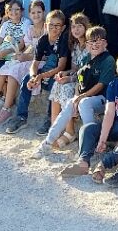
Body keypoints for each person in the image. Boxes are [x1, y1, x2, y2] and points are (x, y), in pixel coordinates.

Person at [62, 51, 118, 179]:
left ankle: (103, 165)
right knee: (87, 129)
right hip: (116, 125)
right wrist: (102, 139)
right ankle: (83, 163)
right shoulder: (113, 84)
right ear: (117, 70)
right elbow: (109, 113)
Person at [44, 26, 116, 157]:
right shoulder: (86, 59)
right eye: (91, 42)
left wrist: (82, 97)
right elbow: (79, 80)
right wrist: (77, 96)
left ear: (105, 43)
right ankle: (48, 141)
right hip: (86, 96)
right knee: (71, 103)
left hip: (104, 99)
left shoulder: (108, 60)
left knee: (84, 103)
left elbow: (100, 85)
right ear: (87, 45)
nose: (95, 45)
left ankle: (90, 142)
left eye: (98, 41)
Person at [0, 0, 45, 126]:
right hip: (28, 57)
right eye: (33, 12)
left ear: (44, 12)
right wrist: (22, 55)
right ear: (29, 14)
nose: (36, 15)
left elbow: (46, 54)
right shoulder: (30, 29)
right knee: (5, 68)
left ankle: (6, 109)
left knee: (13, 70)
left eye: (39, 12)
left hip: (38, 61)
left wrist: (26, 56)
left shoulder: (46, 29)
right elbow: (28, 47)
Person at [6, 8, 69, 135]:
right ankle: (21, 117)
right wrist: (34, 76)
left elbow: (61, 67)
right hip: (45, 71)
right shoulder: (43, 40)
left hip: (59, 73)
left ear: (63, 28)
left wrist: (41, 76)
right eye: (51, 25)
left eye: (58, 25)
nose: (54, 28)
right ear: (46, 25)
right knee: (26, 80)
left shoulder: (63, 41)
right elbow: (35, 63)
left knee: (54, 85)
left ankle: (50, 119)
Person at [30, 12, 90, 145]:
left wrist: (69, 79)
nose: (76, 30)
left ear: (86, 27)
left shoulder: (90, 45)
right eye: (74, 27)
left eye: (80, 26)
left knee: (65, 88)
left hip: (87, 81)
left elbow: (86, 72)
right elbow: (75, 69)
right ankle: (54, 127)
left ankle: (70, 132)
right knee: (57, 84)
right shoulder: (75, 46)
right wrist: (64, 74)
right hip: (77, 77)